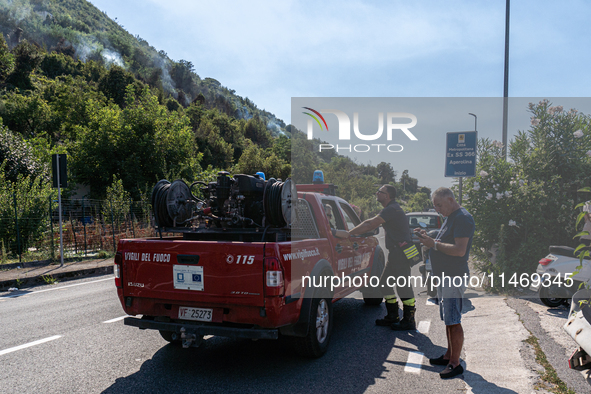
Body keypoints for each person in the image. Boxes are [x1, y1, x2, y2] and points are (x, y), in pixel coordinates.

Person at [415, 187, 474, 379]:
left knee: (454, 320)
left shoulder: (462, 218)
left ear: (450, 199)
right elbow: (442, 241)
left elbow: (459, 250)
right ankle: (449, 355)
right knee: (448, 319)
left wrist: (434, 244)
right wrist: (428, 239)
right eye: (435, 206)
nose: (438, 209)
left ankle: (455, 363)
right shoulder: (451, 217)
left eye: (439, 205)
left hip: (453, 276)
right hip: (445, 275)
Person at [348, 184, 420, 330]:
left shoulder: (391, 209)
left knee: (403, 286)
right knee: (385, 284)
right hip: (397, 253)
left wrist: (349, 234)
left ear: (387, 196)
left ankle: (409, 320)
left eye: (380, 192)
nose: (377, 193)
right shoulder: (392, 208)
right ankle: (393, 316)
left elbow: (370, 223)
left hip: (400, 253)